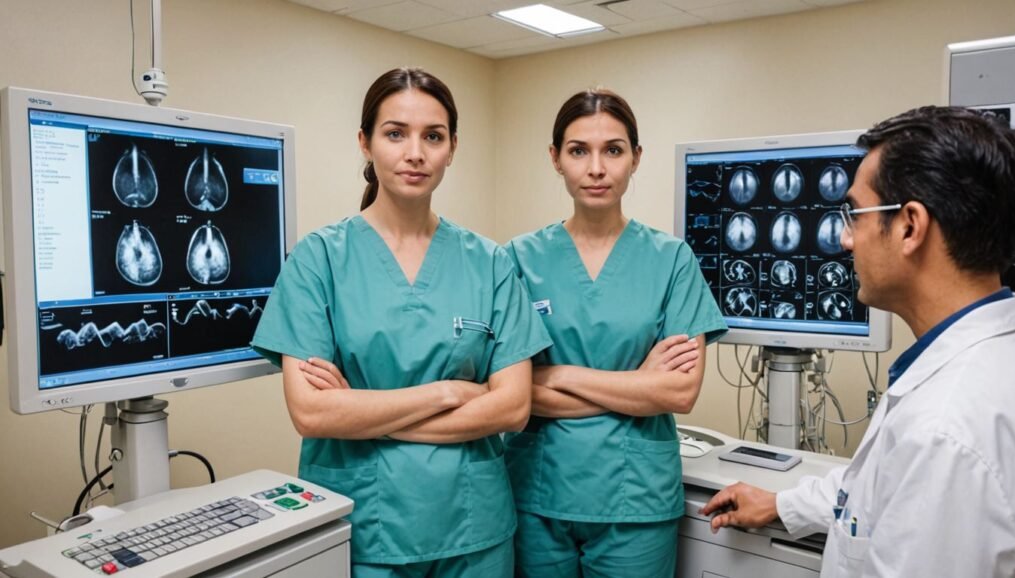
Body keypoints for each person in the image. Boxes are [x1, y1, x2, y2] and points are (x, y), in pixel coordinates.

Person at [251, 68, 551, 578]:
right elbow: (312, 414)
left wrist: (363, 413)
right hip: (366, 530)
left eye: (432, 137)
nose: (415, 153)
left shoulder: (489, 261)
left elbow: (515, 407)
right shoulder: (318, 260)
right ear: (365, 143)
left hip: (473, 531)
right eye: (395, 134)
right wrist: (451, 393)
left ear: (452, 147)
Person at [701, 106, 1015, 577]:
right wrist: (785, 503)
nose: (846, 241)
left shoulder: (946, 433)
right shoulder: (990, 364)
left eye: (854, 214)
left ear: (910, 226)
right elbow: (881, 493)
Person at [503, 89, 728, 578]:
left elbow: (679, 391)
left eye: (613, 150)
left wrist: (558, 374)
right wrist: (637, 384)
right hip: (538, 496)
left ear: (636, 158)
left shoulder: (671, 261)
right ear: (555, 159)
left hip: (636, 504)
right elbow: (508, 393)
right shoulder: (519, 260)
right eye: (578, 150)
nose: (596, 168)